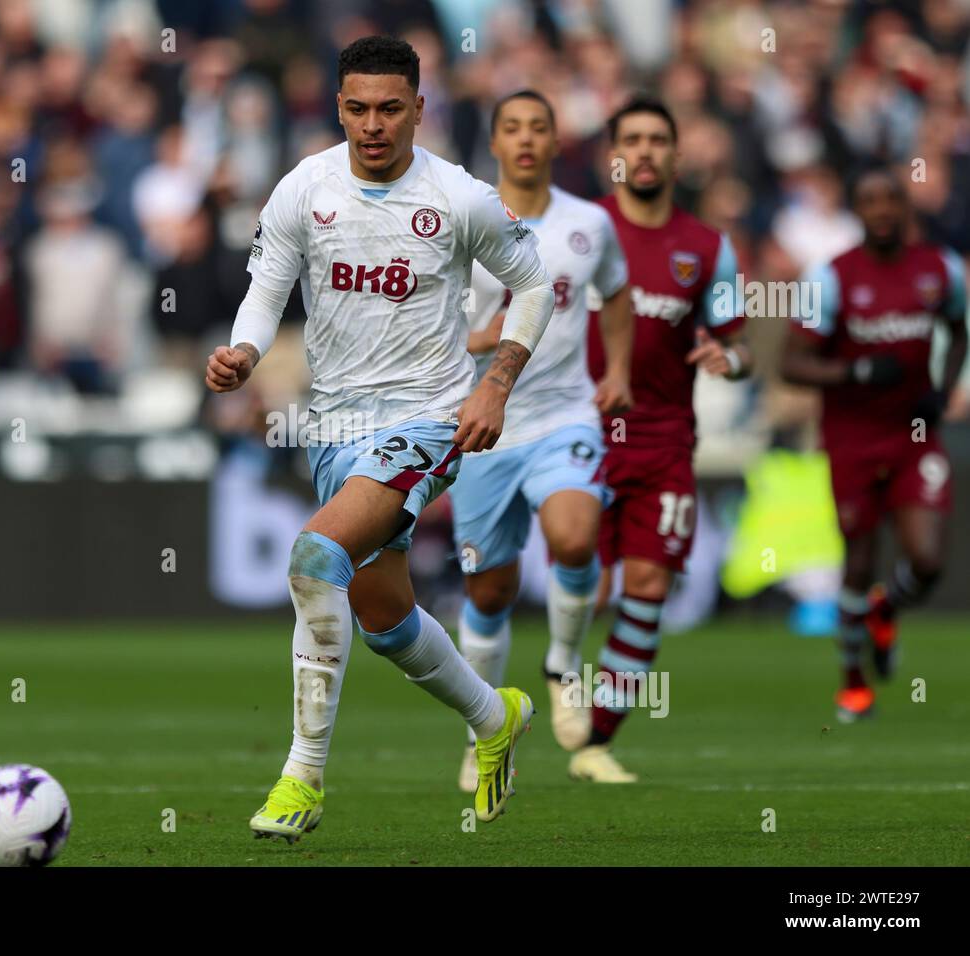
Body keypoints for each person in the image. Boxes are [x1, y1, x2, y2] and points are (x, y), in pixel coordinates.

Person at [205, 36, 555, 842]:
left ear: (419, 110)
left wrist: (496, 384)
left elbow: (533, 284)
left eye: (390, 108)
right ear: (339, 108)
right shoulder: (305, 187)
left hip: (427, 421)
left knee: (313, 557)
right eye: (358, 108)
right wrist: (245, 353)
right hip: (333, 430)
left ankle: (302, 777)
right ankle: (492, 714)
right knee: (385, 616)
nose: (373, 125)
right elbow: (266, 291)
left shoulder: (460, 197)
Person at [449, 89, 634, 793]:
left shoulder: (591, 222)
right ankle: (484, 728)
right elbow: (418, 315)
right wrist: (476, 339)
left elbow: (615, 293)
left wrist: (615, 369)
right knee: (489, 590)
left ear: (558, 142)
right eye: (512, 127)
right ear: (493, 143)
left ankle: (561, 663)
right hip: (481, 429)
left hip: (565, 416)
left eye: (539, 128)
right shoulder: (461, 222)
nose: (526, 140)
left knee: (576, 538)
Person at [582, 95, 754, 782]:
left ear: (678, 157)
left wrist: (727, 359)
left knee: (648, 585)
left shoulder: (707, 247)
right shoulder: (582, 230)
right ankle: (519, 710)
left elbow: (739, 345)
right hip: (581, 436)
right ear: (613, 154)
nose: (647, 151)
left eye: (659, 140)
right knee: (586, 586)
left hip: (665, 440)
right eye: (633, 139)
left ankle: (594, 739)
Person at [780, 165, 966, 723]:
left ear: (904, 207)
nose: (882, 210)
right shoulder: (829, 278)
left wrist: (944, 388)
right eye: (870, 200)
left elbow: (959, 328)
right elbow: (790, 363)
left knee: (928, 561)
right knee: (857, 562)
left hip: (913, 435)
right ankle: (853, 682)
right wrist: (856, 373)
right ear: (856, 211)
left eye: (892, 199)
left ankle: (888, 609)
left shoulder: (941, 269)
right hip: (853, 438)